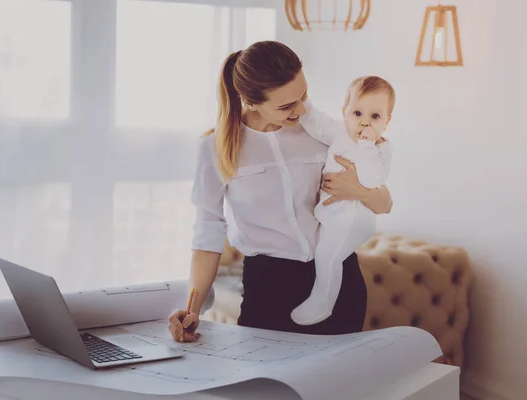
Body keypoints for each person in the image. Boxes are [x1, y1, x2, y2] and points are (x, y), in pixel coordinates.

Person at [167, 41, 393, 342]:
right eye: (286, 105)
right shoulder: (215, 148)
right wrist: (192, 308)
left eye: (303, 96)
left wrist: (360, 191)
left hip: (339, 279)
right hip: (268, 287)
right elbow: (207, 233)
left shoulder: (321, 133)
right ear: (249, 102)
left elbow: (384, 203)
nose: (300, 110)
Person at [290, 76, 395, 326]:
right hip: (332, 215)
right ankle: (321, 298)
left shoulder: (381, 148)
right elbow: (315, 121)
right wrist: (302, 99)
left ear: (387, 122)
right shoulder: (338, 131)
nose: (364, 123)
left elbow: (372, 179)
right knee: (323, 250)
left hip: (355, 217)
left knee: (328, 255)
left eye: (375, 117)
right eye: (357, 113)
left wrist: (367, 147)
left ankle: (322, 303)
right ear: (344, 112)